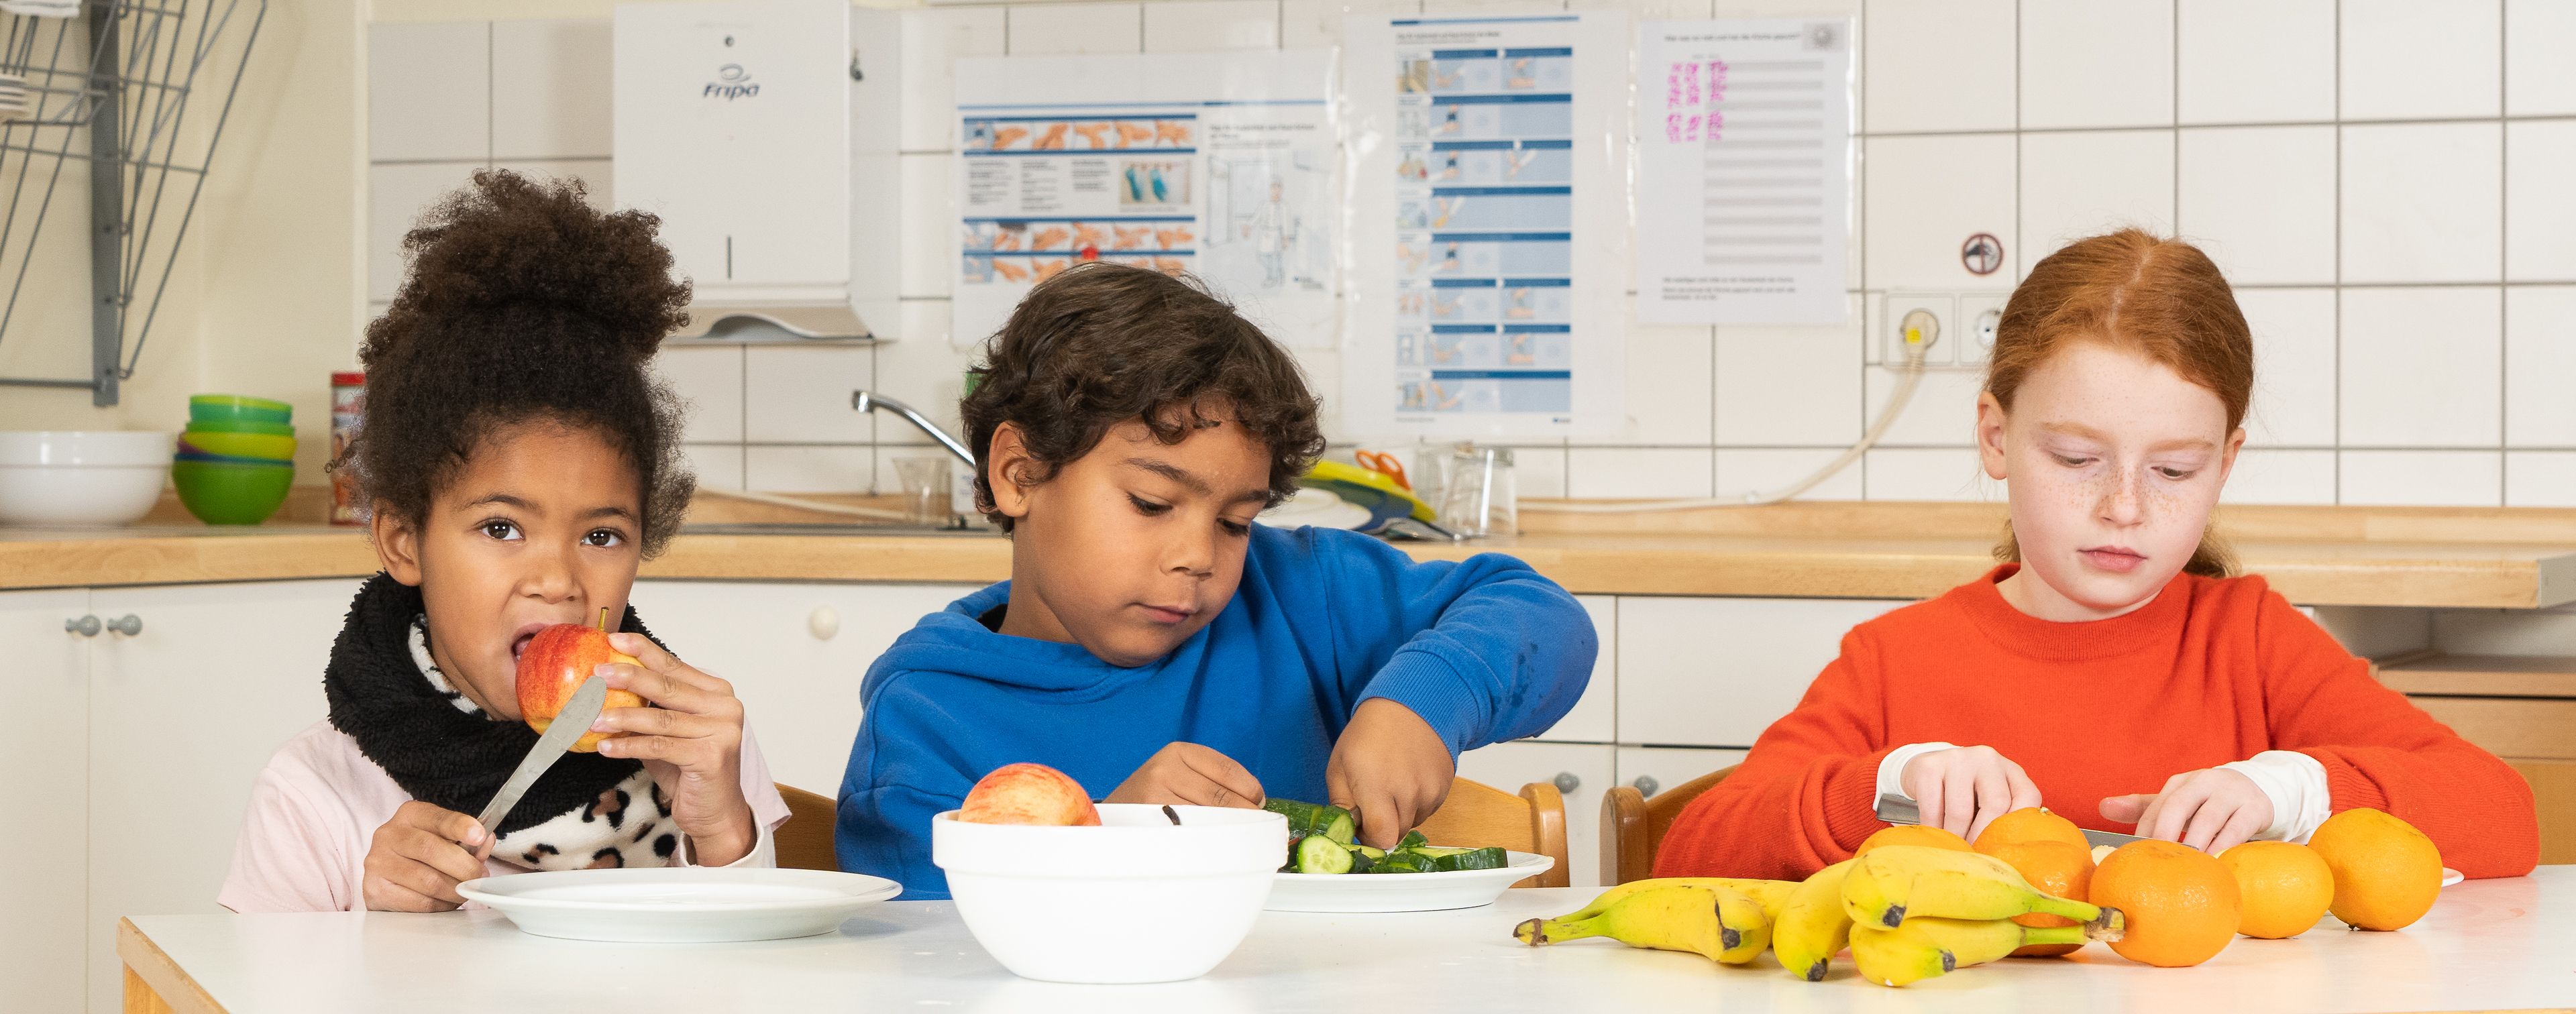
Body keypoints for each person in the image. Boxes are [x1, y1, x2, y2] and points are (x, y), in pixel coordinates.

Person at [1654, 229, 2538, 882]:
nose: (2123, 507)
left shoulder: (2249, 641)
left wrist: (2296, 789)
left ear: (2224, 463)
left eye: (2175, 470)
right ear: (1996, 437)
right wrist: (1885, 784)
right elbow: (1692, 848)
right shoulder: (1893, 662)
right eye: (2076, 460)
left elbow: (2504, 816)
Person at [835, 263, 1595, 899]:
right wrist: (1107, 842)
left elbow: (1540, 615)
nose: (1199, 555)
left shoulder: (1302, 597)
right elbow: (925, 965)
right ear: (1019, 472)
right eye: (1153, 504)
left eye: (1235, 520)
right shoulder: (927, 716)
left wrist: (1426, 702)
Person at [218, 170, 790, 913]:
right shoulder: (317, 797)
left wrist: (723, 836)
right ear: (402, 542)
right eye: (501, 527)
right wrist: (371, 932)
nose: (558, 579)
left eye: (602, 535)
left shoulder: (698, 753)